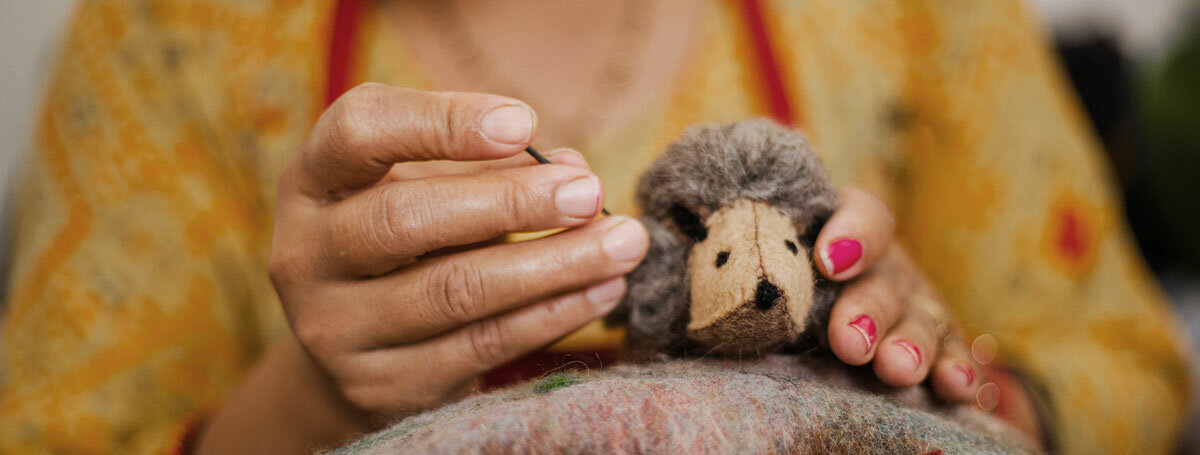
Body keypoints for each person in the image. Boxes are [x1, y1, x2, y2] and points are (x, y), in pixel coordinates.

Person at [0, 0, 1190, 454]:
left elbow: (1130, 365)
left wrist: (946, 394)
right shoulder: (169, 31)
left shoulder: (912, 13)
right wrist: (314, 404)